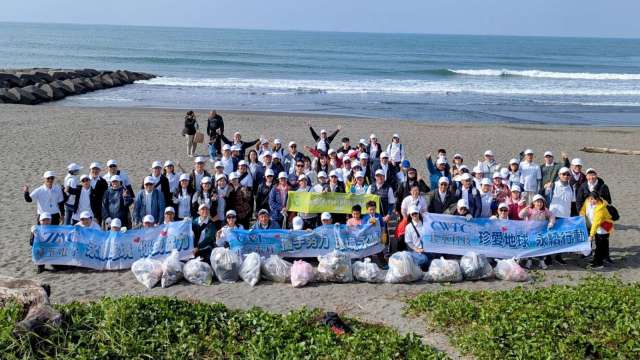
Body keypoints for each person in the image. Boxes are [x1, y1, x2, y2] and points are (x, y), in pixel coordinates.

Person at [519, 194, 556, 269]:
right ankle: (529, 261)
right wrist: (526, 208)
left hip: (541, 232)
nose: (539, 203)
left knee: (540, 246)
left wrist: (551, 222)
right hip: (530, 232)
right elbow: (520, 215)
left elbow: (552, 216)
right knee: (531, 246)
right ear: (533, 203)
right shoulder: (530, 209)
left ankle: (541, 261)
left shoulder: (545, 210)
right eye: (537, 202)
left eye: (541, 202)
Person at [580, 192, 614, 268]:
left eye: (594, 199)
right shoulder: (587, 201)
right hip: (595, 225)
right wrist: (581, 215)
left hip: (604, 226)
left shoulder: (600, 208)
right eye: (591, 199)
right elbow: (583, 209)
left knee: (600, 245)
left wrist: (591, 235)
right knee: (601, 244)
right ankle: (598, 259)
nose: (592, 201)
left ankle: (599, 263)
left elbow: (596, 223)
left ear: (598, 199)